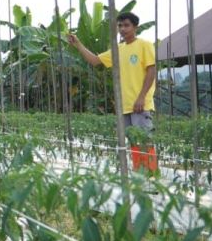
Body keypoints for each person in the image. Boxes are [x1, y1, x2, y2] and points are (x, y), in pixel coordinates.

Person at [67, 11, 157, 170]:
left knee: (144, 140)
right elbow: (95, 61)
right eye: (120, 26)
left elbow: (151, 71)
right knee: (133, 142)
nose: (123, 29)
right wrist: (78, 44)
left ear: (135, 27)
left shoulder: (145, 45)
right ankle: (140, 175)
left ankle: (150, 177)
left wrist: (141, 97)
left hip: (140, 103)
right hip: (125, 104)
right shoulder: (118, 49)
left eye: (127, 25)